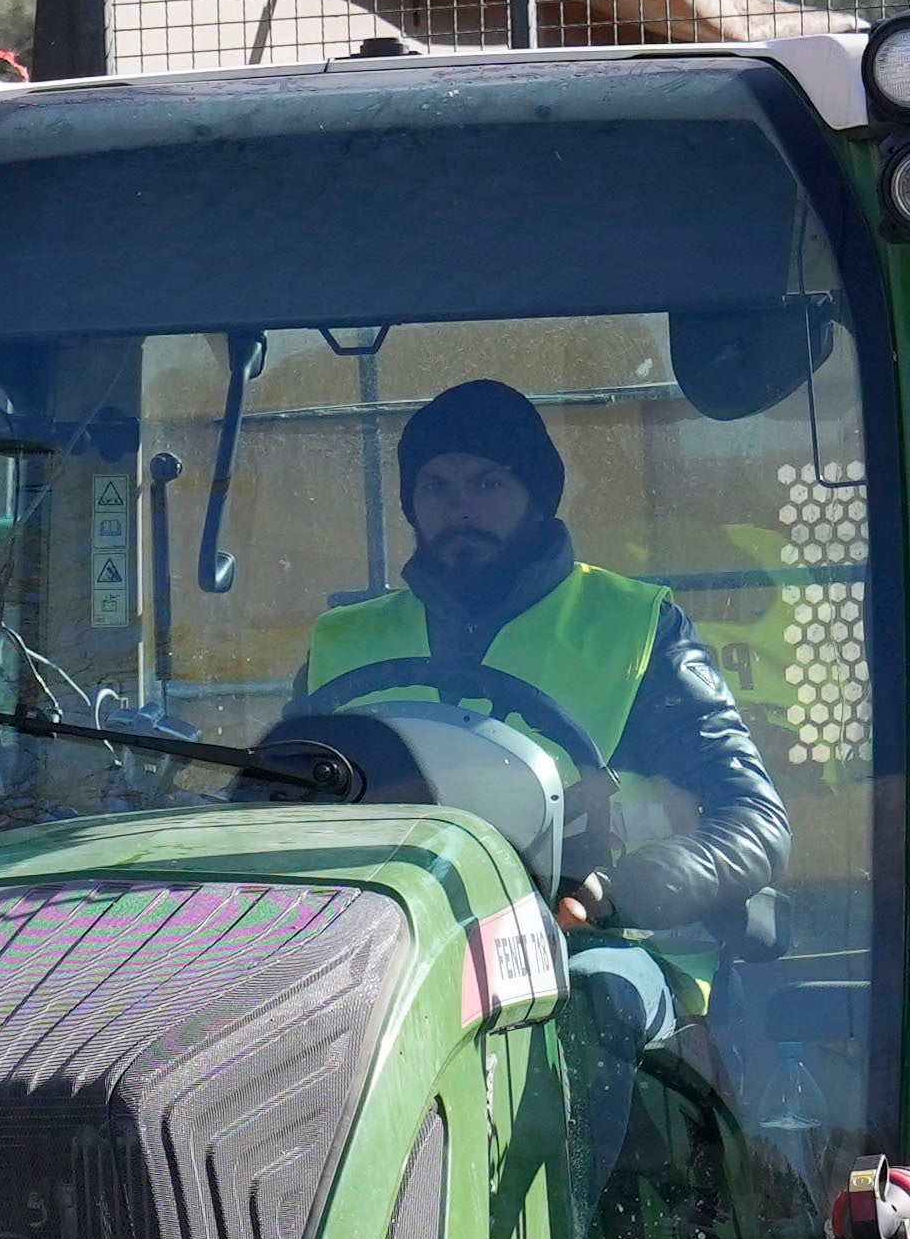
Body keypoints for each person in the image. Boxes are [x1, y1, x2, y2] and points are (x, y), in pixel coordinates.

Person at [289, 376, 785, 944]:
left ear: (537, 495)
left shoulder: (639, 626)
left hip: (593, 947)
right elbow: (272, 808)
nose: (461, 509)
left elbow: (752, 819)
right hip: (377, 954)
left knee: (612, 1001)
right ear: (411, 503)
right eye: (437, 487)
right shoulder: (342, 641)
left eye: (489, 483)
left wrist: (620, 894)